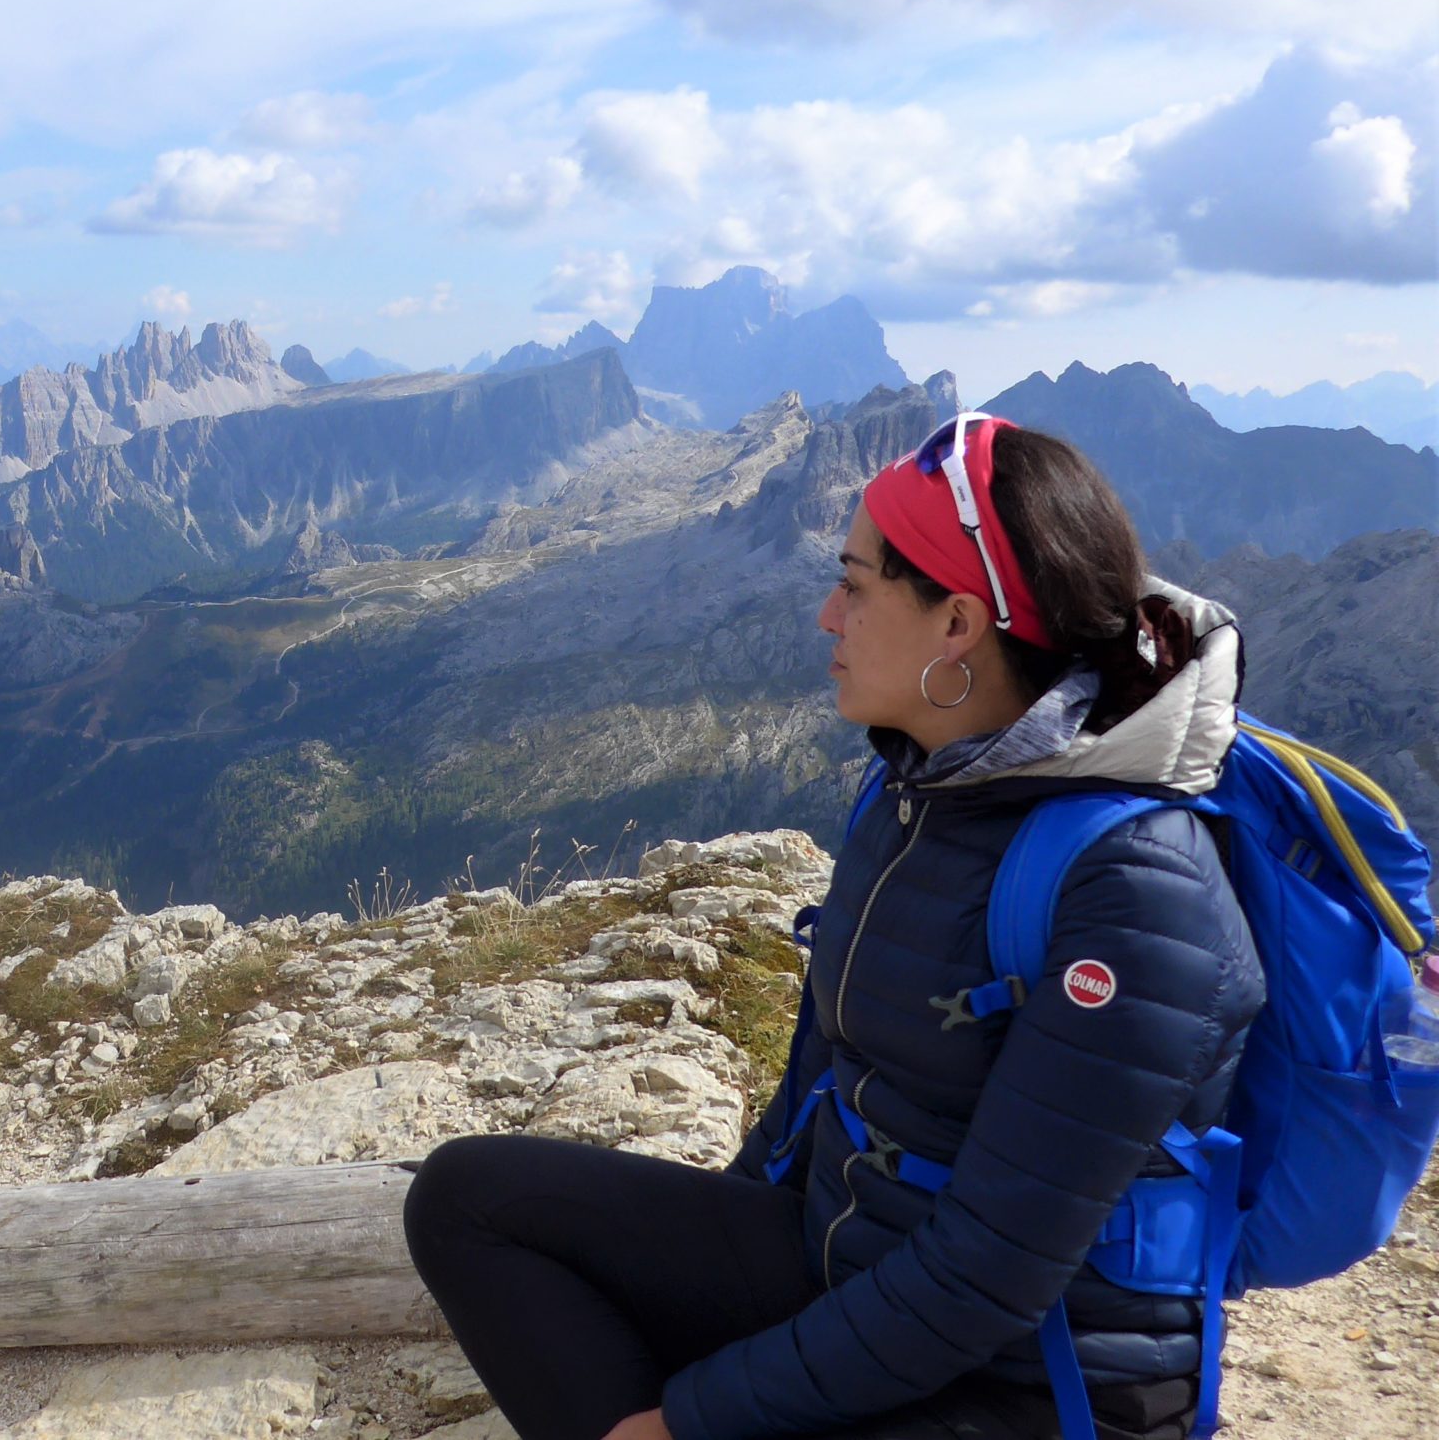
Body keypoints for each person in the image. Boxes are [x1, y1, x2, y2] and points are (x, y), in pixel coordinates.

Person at [401, 412, 1267, 1440]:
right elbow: (817, 1082)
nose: (825, 614)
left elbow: (982, 1281)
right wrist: (699, 1279)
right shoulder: (918, 787)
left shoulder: (1132, 894)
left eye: (854, 586)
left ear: (957, 624)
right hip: (849, 1257)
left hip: (1026, 1383)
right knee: (466, 1199)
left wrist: (685, 1417)